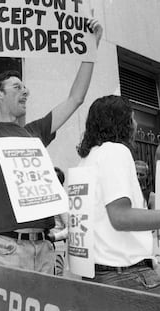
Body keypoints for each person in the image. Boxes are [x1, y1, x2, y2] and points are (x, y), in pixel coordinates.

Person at [0, 0, 103, 274]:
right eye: (17, 86)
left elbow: (76, 98)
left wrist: (92, 47)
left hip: (45, 249)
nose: (25, 91)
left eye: (25, 86)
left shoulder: (35, 132)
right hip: (6, 250)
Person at [78, 95, 160, 293]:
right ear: (121, 122)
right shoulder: (115, 151)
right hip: (126, 275)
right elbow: (120, 217)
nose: (135, 123)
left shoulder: (87, 159)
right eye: (132, 118)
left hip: (97, 275)